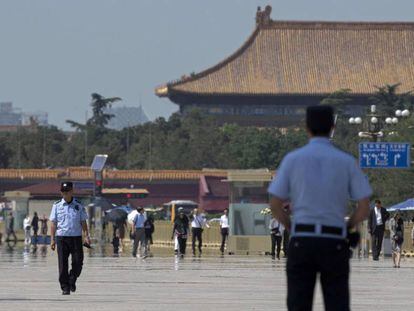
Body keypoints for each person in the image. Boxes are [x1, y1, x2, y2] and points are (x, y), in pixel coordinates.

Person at [268, 105, 372, 311]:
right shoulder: (346, 161)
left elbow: (275, 203)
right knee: (337, 304)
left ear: (307, 127)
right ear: (332, 127)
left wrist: (291, 226)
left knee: (298, 304)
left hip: (302, 241)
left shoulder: (293, 159)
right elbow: (363, 206)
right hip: (334, 242)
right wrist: (348, 225)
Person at [50, 182, 90, 295]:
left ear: (72, 191)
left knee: (78, 262)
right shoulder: (56, 205)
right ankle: (65, 287)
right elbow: (53, 223)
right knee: (63, 264)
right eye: (63, 191)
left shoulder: (79, 205)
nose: (65, 193)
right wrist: (52, 239)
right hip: (62, 238)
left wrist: (86, 236)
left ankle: (72, 279)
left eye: (67, 191)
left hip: (76, 238)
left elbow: (83, 222)